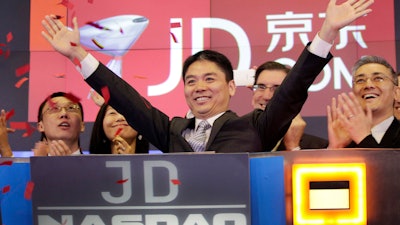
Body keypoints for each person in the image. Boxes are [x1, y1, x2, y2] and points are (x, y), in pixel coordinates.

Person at [41, 0, 373, 153]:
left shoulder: (255, 124)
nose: (199, 87)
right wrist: (78, 55)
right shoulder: (170, 130)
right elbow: (127, 99)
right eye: (191, 80)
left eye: (210, 79)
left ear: (231, 86)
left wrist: (327, 31)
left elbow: (293, 89)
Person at [251, 61, 328, 150]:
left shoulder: (318, 147)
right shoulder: (237, 139)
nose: (266, 96)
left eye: (277, 89)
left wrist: (293, 148)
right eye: (261, 87)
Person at [327, 55, 400, 148]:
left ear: (395, 92)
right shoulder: (346, 138)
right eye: (360, 80)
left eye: (378, 78)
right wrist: (335, 147)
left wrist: (364, 138)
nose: (368, 85)